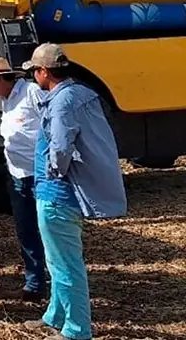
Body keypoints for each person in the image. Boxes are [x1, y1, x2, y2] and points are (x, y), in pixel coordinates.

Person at [21, 44, 128, 340]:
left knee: (65, 265)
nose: (34, 77)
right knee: (57, 261)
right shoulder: (80, 92)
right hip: (60, 194)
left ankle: (77, 330)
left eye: (35, 72)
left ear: (44, 71)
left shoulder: (62, 102)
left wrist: (55, 172)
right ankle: (55, 315)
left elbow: (60, 147)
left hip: (56, 195)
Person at [0, 57, 48, 302]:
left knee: (48, 231)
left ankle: (53, 282)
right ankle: (34, 283)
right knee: (27, 231)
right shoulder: (5, 101)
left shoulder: (32, 93)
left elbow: (51, 125)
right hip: (17, 175)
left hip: (41, 175)